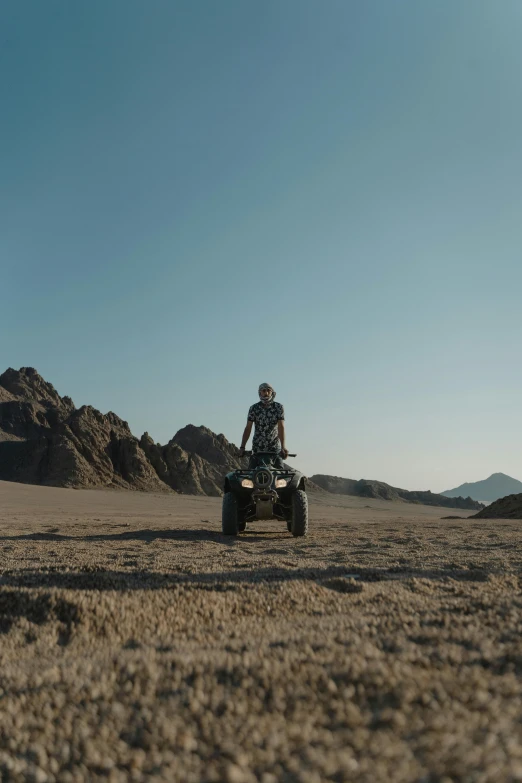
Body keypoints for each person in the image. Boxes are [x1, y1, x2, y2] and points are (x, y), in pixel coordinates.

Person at [239, 383, 288, 469]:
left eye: (268, 390)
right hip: (258, 450)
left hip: (274, 450)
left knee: (281, 477)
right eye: (264, 390)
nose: (266, 393)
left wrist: (283, 447)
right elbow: (248, 428)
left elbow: (281, 427)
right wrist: (242, 447)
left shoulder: (278, 407)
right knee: (251, 476)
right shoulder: (254, 408)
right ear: (259, 392)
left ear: (272, 392)